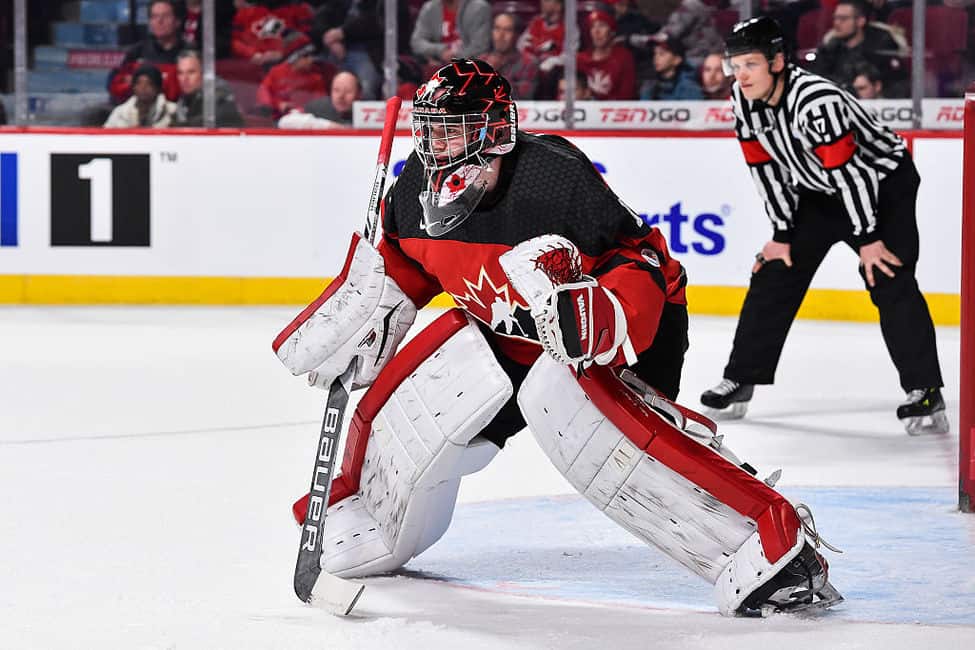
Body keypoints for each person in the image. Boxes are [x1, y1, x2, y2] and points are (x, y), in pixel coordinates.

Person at [272, 58, 841, 616]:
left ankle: (773, 548)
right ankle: (374, 512)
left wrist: (601, 314)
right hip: (507, 335)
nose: (437, 145)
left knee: (596, 426)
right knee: (430, 392)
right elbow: (403, 269)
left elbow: (639, 259)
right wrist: (365, 318)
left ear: (495, 131)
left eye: (454, 130)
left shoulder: (553, 178)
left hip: (613, 330)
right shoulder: (413, 189)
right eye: (430, 129)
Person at [699, 17, 947, 436]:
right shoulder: (743, 100)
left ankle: (925, 391)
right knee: (774, 271)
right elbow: (764, 169)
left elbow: (855, 176)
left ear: (777, 62)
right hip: (819, 189)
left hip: (883, 187)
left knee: (887, 274)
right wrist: (781, 233)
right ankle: (742, 378)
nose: (740, 75)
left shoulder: (817, 101)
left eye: (750, 65)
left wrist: (869, 238)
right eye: (734, 65)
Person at [811, 0, 908, 97]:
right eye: (835, 18)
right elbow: (816, 77)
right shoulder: (830, 48)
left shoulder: (881, 46)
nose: (836, 23)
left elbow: (898, 83)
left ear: (861, 21)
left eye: (843, 19)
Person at [107, 0, 184, 103]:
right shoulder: (137, 52)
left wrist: (138, 83)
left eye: (166, 16)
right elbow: (114, 86)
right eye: (154, 16)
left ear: (177, 21)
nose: (159, 21)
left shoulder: (188, 54)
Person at [256, 42, 335, 119]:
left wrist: (300, 109)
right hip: (275, 119)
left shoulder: (316, 78)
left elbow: (321, 104)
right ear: (294, 58)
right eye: (305, 57)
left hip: (304, 120)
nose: (310, 60)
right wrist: (278, 104)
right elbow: (263, 92)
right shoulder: (276, 72)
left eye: (311, 56)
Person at [171, 50, 245, 127]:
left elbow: (211, 121)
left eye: (191, 72)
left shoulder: (220, 96)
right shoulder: (184, 100)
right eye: (180, 73)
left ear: (204, 73)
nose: (185, 79)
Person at [575, 10, 637, 100]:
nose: (596, 31)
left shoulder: (624, 58)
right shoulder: (580, 59)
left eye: (602, 26)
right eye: (592, 27)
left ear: (612, 32)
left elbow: (627, 96)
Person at [410, 0, 492, 66]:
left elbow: (480, 46)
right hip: (436, 66)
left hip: (467, 67)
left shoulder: (479, 8)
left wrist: (454, 59)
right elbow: (416, 42)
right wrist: (441, 50)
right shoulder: (429, 8)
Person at [478, 13, 539, 99]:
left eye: (507, 30)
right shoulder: (481, 60)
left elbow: (524, 97)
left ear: (517, 35)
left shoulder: (529, 63)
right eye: (497, 29)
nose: (501, 35)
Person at [279, 70, 361, 128]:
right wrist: (329, 126)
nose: (341, 96)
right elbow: (285, 121)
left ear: (358, 94)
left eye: (347, 91)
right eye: (336, 90)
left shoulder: (368, 110)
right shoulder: (318, 107)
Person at [104, 64, 177, 128]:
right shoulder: (120, 112)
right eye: (138, 83)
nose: (143, 87)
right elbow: (106, 137)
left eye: (149, 83)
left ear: (158, 88)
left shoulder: (172, 111)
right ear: (133, 87)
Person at [639, 34, 703, 100]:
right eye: (655, 53)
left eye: (662, 54)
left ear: (677, 60)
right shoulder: (649, 86)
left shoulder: (689, 90)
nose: (656, 58)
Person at [517, 0, 565, 66]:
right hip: (530, 69)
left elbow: (568, 57)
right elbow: (520, 46)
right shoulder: (536, 22)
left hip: (554, 71)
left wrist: (552, 61)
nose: (542, 2)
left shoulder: (568, 28)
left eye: (547, 1)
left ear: (558, 6)